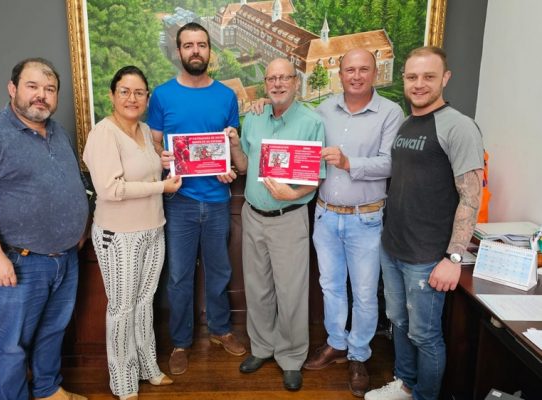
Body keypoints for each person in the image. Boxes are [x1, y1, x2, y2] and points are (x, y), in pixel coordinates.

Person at [0, 58, 89, 400]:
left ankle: (48, 390)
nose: (41, 95)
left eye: (50, 89)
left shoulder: (58, 132)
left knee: (52, 332)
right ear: (12, 89)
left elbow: (69, 185)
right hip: (17, 261)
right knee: (11, 346)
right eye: (32, 86)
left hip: (64, 258)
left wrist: (78, 227)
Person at [365, 46, 484, 400]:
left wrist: (453, 258)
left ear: (445, 78)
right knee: (399, 322)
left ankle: (424, 396)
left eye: (429, 76)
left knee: (425, 335)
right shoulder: (406, 123)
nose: (419, 84)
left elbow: (471, 197)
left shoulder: (459, 127)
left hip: (427, 256)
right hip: (394, 247)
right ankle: (405, 384)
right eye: (412, 77)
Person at [302, 49, 404, 397]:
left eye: (363, 69)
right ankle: (336, 343)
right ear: (340, 74)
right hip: (325, 214)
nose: (356, 76)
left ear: (375, 73)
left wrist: (348, 162)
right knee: (330, 286)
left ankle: (359, 354)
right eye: (350, 70)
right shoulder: (323, 110)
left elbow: (390, 163)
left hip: (366, 218)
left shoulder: (391, 112)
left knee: (363, 292)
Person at [147, 22, 246, 376]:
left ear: (209, 50)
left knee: (219, 271)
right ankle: (180, 342)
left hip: (218, 199)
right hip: (179, 202)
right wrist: (161, 156)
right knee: (179, 277)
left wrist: (228, 167)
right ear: (178, 51)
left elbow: (230, 147)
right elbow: (154, 142)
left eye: (201, 45)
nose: (195, 51)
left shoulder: (226, 96)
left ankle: (220, 329)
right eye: (188, 45)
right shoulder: (162, 96)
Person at [83, 66, 182, 400]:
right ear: (112, 95)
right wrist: (161, 186)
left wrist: (164, 164)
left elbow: (147, 172)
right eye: (124, 91)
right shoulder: (103, 133)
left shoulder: (145, 130)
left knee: (144, 303)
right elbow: (111, 189)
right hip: (119, 234)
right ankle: (122, 380)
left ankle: (147, 367)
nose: (132, 98)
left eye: (139, 92)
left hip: (153, 228)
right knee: (122, 307)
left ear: (147, 98)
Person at [229, 58, 325, 391]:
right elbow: (244, 166)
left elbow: (315, 178)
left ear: (296, 82)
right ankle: (262, 347)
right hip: (253, 215)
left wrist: (291, 193)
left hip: (289, 218)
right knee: (257, 288)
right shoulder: (254, 117)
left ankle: (291, 357)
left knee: (291, 292)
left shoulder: (312, 122)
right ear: (265, 84)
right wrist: (235, 146)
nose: (278, 84)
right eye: (272, 78)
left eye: (285, 78)